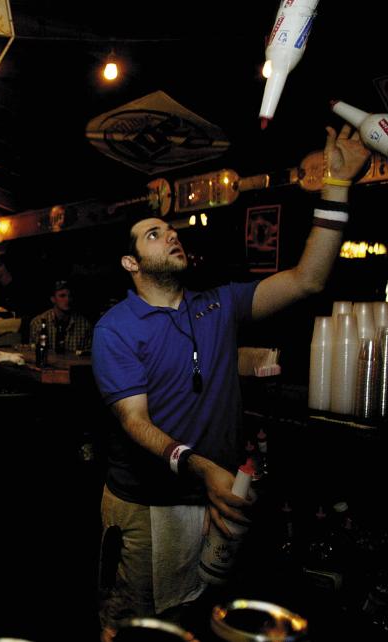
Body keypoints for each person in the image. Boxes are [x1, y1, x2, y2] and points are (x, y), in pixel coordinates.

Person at [91, 125, 369, 640]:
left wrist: (337, 185)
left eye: (170, 230)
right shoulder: (116, 329)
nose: (171, 235)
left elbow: (309, 278)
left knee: (205, 617)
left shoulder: (218, 304)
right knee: (139, 625)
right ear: (131, 263)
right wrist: (199, 467)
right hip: (152, 504)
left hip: (217, 495)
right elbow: (134, 421)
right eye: (154, 234)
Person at [28, 279, 93, 353]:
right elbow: (33, 353)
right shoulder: (38, 323)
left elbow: (89, 356)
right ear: (53, 299)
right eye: (62, 296)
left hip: (73, 363)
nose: (67, 299)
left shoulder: (84, 325)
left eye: (70, 296)